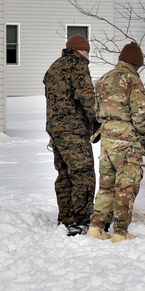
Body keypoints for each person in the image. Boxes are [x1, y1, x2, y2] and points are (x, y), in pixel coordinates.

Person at [88, 41, 145, 243]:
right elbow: (140, 114)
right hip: (126, 140)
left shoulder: (104, 78)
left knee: (106, 186)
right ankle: (120, 232)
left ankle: (96, 227)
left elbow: (96, 111)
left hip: (106, 138)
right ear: (136, 63)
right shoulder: (132, 81)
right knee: (126, 187)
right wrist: (141, 132)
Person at [43, 34, 98, 236]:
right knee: (83, 174)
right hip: (74, 131)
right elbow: (86, 97)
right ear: (80, 50)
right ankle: (81, 221)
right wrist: (96, 119)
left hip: (55, 131)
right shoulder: (78, 65)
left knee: (64, 174)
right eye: (86, 51)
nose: (87, 55)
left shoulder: (54, 67)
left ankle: (65, 217)